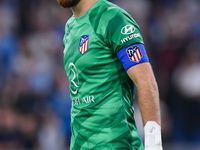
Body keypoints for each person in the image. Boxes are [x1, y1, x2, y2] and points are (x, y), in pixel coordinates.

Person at [57, 0, 163, 149]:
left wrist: (154, 145)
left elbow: (145, 80)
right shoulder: (70, 28)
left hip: (116, 144)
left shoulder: (113, 18)